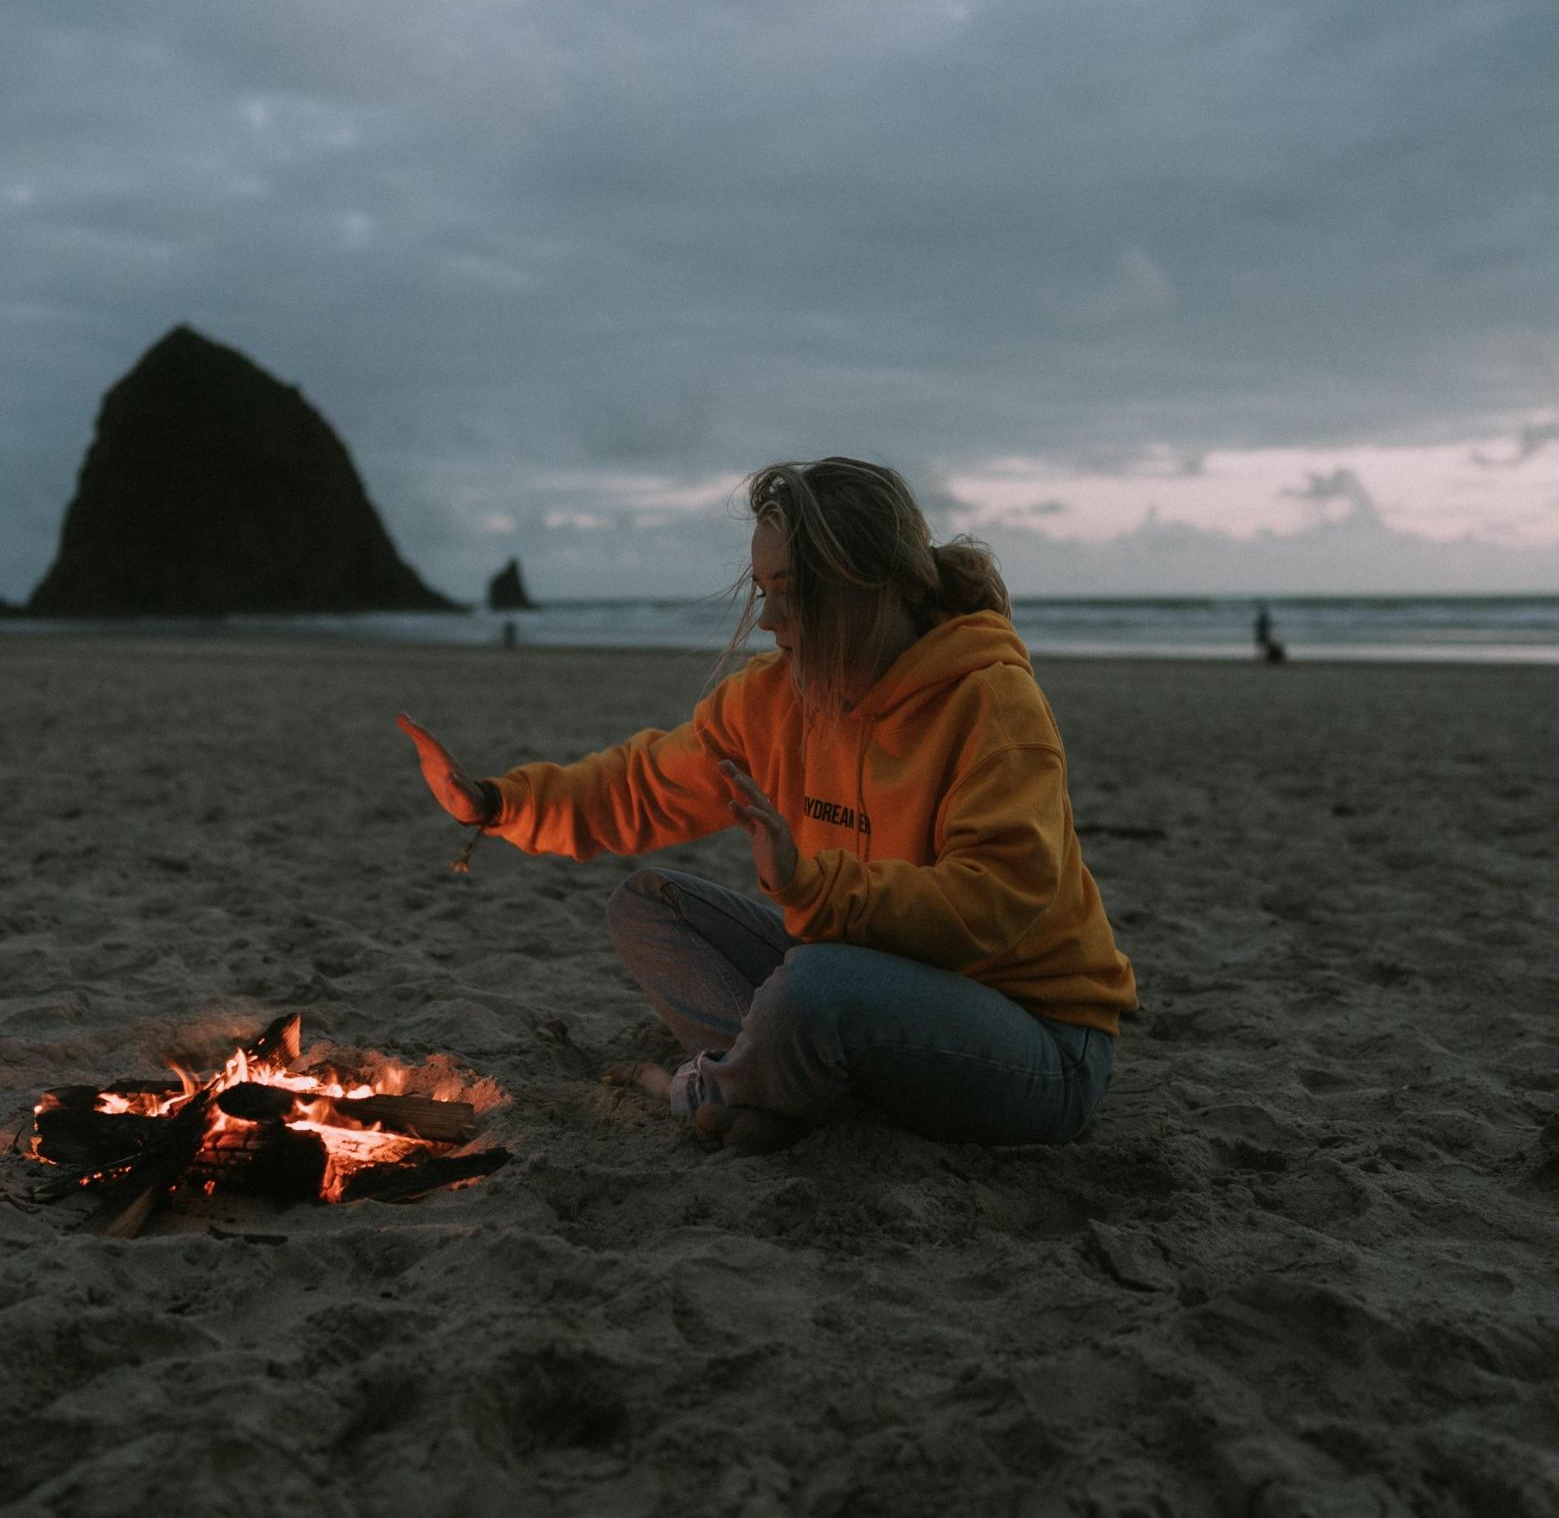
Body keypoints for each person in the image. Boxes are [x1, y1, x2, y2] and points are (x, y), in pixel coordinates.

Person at [399, 457, 1137, 1153]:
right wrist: (494, 803)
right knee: (648, 905)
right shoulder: (778, 697)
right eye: (763, 589)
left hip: (1036, 1042)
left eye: (791, 591)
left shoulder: (990, 701)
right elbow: (641, 785)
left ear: (871, 584)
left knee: (817, 985)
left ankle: (718, 1090)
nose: (768, 619)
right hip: (869, 989)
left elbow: (990, 903)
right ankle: (788, 1086)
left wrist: (810, 885)